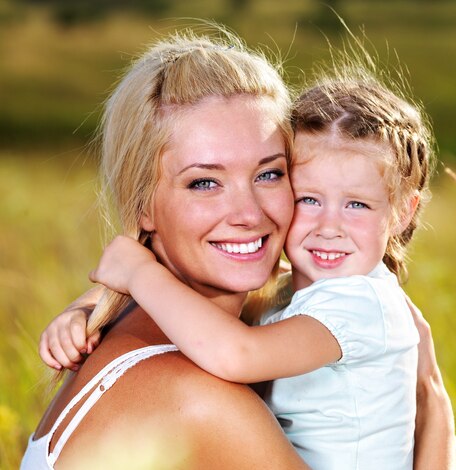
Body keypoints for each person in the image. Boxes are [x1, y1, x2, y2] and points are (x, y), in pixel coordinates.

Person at [68, 70, 434, 470]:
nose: (329, 227)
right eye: (309, 198)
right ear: (142, 206)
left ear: (402, 213)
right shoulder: (299, 295)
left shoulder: (358, 302)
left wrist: (139, 274)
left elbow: (237, 354)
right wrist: (88, 309)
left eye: (268, 175)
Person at [22, 29, 308, 469]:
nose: (249, 213)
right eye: (204, 182)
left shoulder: (124, 321)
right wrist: (428, 397)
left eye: (268, 174)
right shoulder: (201, 400)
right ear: (143, 208)